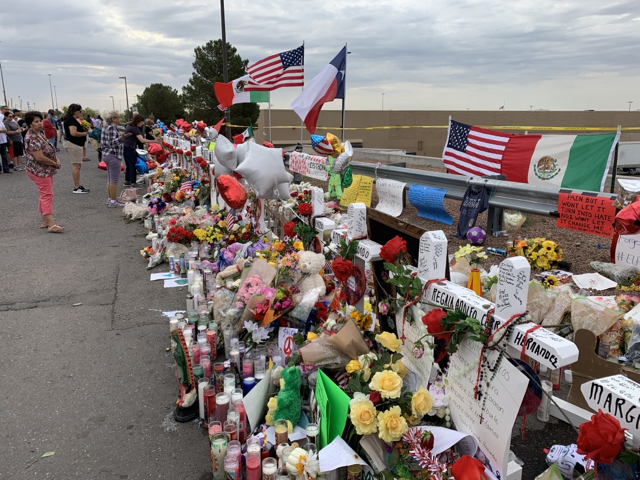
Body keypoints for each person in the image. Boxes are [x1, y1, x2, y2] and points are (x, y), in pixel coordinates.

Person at [23, 111, 63, 232]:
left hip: (45, 169)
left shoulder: (39, 134)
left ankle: (44, 220)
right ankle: (51, 224)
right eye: (36, 122)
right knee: (47, 195)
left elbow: (49, 149)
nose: (39, 123)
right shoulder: (32, 137)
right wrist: (54, 163)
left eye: (40, 121)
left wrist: (56, 159)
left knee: (44, 194)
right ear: (30, 124)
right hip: (38, 170)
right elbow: (39, 157)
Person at [101, 110, 131, 207]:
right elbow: (112, 143)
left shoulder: (106, 127)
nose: (119, 119)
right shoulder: (112, 128)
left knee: (110, 179)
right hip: (113, 155)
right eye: (118, 117)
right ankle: (113, 201)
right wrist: (122, 138)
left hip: (107, 154)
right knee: (114, 179)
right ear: (113, 119)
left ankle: (110, 199)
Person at [122, 113, 159, 188]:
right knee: (132, 165)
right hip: (130, 147)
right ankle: (133, 183)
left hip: (126, 147)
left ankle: (127, 181)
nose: (142, 124)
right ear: (138, 121)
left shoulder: (129, 125)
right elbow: (142, 140)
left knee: (128, 165)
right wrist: (155, 141)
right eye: (142, 122)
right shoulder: (134, 128)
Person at [62, 104, 90, 193]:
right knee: (76, 165)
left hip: (73, 144)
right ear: (75, 111)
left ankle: (77, 185)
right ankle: (76, 187)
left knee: (77, 165)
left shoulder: (69, 119)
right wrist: (84, 134)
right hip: (73, 144)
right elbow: (73, 133)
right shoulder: (71, 120)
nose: (80, 113)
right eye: (80, 111)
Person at [0, 105, 12, 173]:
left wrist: (4, 130)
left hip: (3, 140)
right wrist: (2, 130)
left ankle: (6, 168)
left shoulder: (1, 122)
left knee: (4, 155)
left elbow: (5, 129)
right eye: (5, 109)